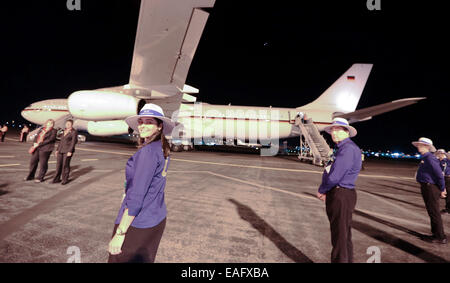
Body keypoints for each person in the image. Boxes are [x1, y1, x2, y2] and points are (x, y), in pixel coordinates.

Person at [108, 103, 174, 263]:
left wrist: (120, 233)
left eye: (149, 122)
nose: (143, 125)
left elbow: (137, 197)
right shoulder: (162, 148)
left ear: (159, 126)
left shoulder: (148, 152)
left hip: (138, 221)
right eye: (141, 121)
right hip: (155, 218)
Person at [317, 117, 361, 263]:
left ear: (346, 132)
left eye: (338, 130)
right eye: (332, 130)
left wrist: (323, 189)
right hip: (341, 193)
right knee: (343, 235)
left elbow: (335, 175)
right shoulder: (342, 148)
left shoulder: (347, 149)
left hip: (340, 193)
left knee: (339, 235)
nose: (334, 133)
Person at [412, 138, 447, 244]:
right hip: (427, 187)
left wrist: (442, 188)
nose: (418, 146)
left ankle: (440, 237)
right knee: (432, 212)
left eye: (420, 145)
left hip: (430, 188)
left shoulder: (430, 158)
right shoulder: (426, 157)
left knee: (434, 212)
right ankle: (436, 234)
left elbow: (439, 175)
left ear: (426, 146)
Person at [52, 120, 78, 185]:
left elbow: (73, 142)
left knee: (65, 165)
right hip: (60, 150)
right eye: (66, 124)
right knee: (58, 165)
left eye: (69, 124)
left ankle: (65, 179)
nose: (67, 125)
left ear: (72, 125)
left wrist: (70, 151)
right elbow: (61, 142)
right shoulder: (64, 131)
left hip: (67, 151)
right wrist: (57, 150)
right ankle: (56, 179)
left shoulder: (74, 132)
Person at [435, 149, 450, 214]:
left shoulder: (447, 161)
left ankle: (448, 209)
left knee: (449, 194)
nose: (439, 155)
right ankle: (445, 208)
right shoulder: (437, 161)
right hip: (440, 178)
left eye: (440, 153)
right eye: (438, 153)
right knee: (439, 193)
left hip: (448, 178)